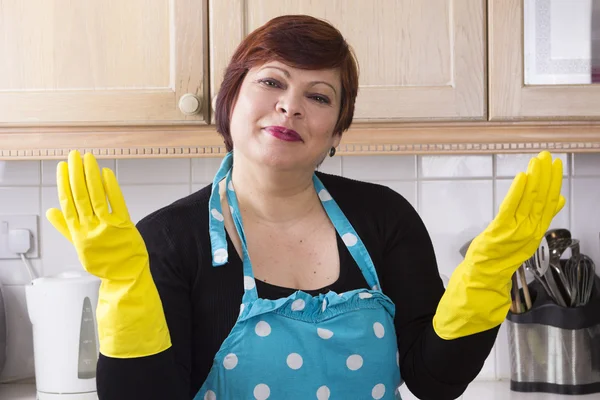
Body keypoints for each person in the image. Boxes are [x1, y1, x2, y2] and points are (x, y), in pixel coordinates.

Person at [47, 15, 565, 400]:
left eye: (318, 96)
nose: (290, 105)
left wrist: (487, 279)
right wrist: (124, 292)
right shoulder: (167, 241)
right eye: (271, 81)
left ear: (337, 130)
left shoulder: (385, 219)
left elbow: (433, 381)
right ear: (231, 100)